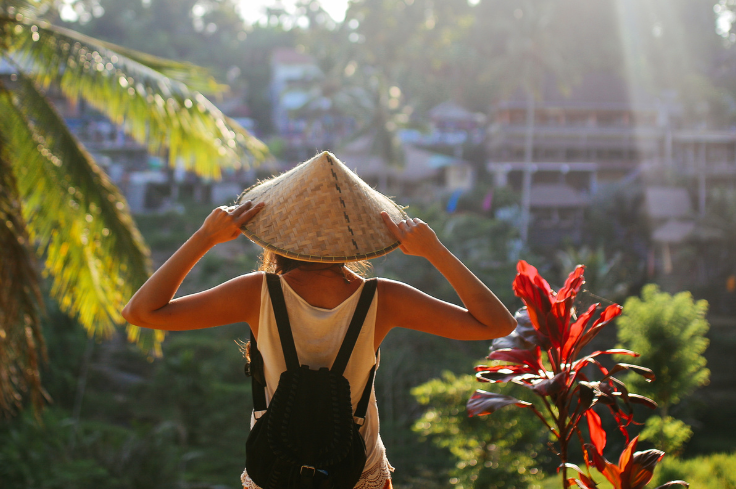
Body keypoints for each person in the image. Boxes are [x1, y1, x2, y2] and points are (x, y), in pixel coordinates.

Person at [123, 152, 516, 489]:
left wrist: (205, 237)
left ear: (276, 234)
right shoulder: (384, 298)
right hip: (357, 473)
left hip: (277, 469)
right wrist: (433, 250)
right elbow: (496, 324)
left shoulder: (254, 293)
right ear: (353, 235)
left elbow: (141, 312)